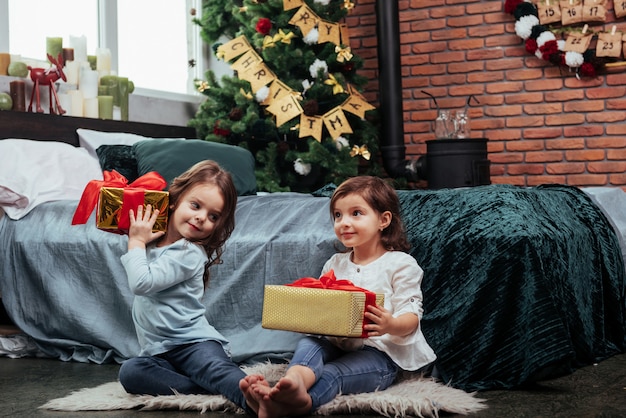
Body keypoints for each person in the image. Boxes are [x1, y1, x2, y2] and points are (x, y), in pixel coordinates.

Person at [240, 175, 437, 418]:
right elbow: (325, 308)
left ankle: (303, 402)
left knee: (334, 373)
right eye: (338, 215)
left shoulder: (400, 264)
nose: (344, 222)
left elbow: (412, 315)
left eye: (356, 213)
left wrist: (391, 324)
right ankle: (294, 382)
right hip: (337, 343)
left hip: (379, 354)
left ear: (383, 220)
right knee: (308, 346)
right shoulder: (335, 263)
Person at [118, 160, 251, 413]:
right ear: (176, 199)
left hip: (193, 344)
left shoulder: (189, 252)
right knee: (131, 372)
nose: (201, 218)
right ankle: (205, 388)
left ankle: (255, 396)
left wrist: (135, 241)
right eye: (195, 205)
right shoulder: (152, 243)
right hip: (158, 353)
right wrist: (137, 234)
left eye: (213, 216)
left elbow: (141, 282)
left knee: (215, 369)